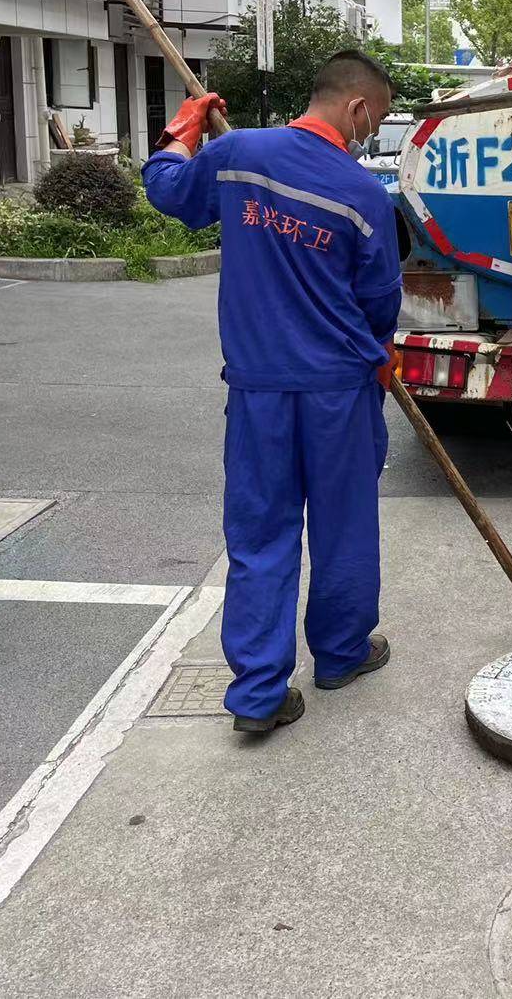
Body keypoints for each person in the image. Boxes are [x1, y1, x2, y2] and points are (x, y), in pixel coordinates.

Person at [144, 50, 402, 734]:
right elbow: (380, 303)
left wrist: (181, 132)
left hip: (259, 389)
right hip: (341, 390)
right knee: (345, 526)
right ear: (355, 109)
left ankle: (259, 695)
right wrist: (378, 357)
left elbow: (168, 190)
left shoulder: (239, 156)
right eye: (373, 120)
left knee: (261, 535)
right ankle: (342, 654)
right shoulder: (366, 195)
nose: (369, 133)